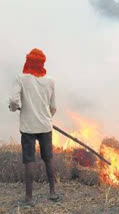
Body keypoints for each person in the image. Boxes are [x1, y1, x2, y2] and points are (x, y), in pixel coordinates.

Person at [9, 48, 59, 206]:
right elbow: (53, 107)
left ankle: (29, 198)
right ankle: (52, 193)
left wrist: (14, 108)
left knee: (29, 161)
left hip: (28, 128)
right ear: (42, 63)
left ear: (28, 62)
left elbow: (14, 101)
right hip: (45, 126)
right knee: (48, 158)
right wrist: (46, 117)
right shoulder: (50, 81)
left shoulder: (21, 79)